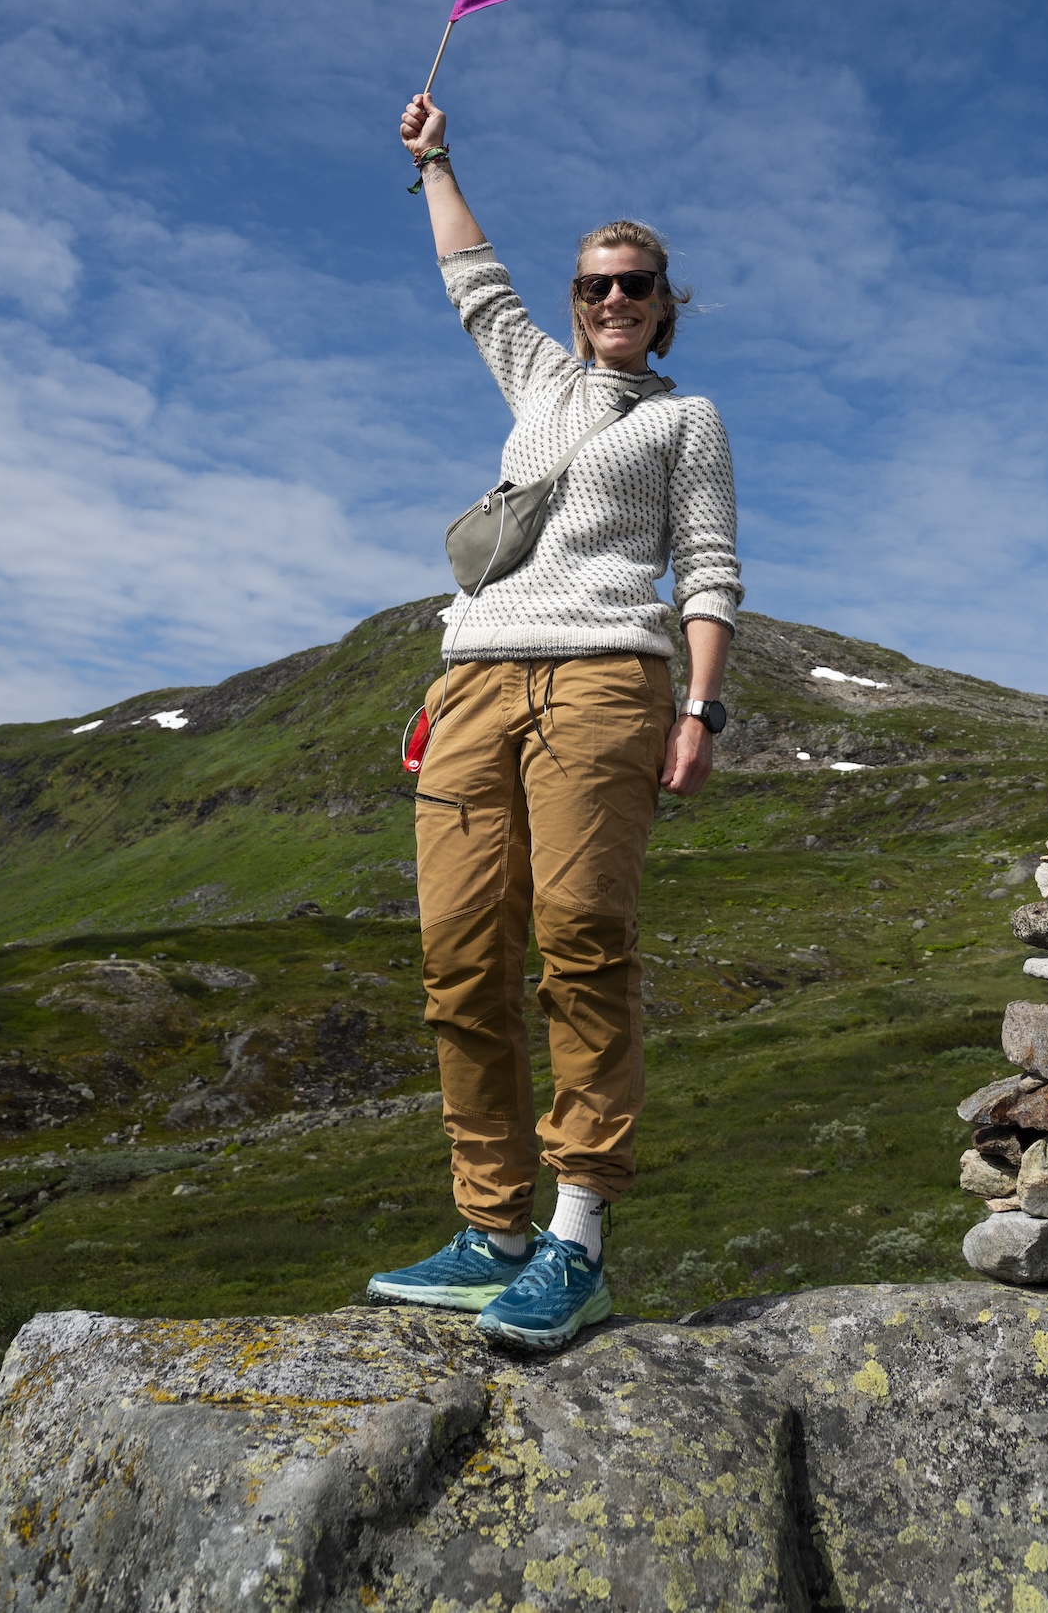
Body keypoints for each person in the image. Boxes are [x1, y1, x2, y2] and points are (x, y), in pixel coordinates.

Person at [367, 88, 741, 1351]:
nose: (614, 300)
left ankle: (577, 1237)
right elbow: (474, 282)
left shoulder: (685, 420)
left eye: (636, 285)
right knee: (459, 954)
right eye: (595, 286)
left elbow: (708, 569)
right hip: (472, 679)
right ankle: (494, 1229)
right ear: (577, 302)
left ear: (666, 302)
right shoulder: (537, 376)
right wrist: (435, 161)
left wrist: (700, 709)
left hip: (604, 680)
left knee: (581, 940)